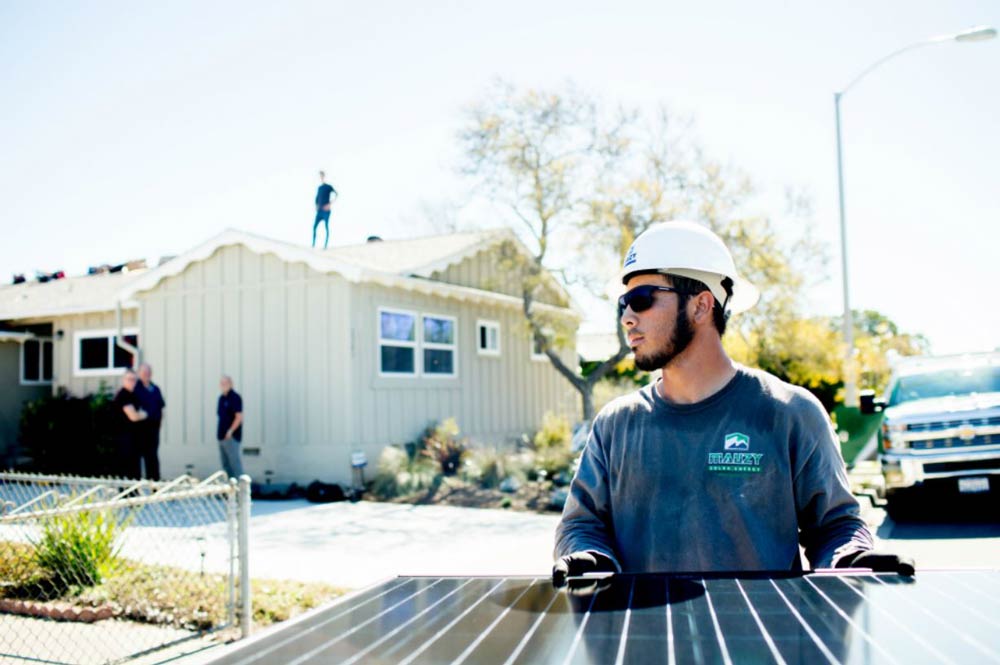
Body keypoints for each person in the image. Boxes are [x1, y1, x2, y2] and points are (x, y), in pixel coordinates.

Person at [553, 221, 913, 585]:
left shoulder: (790, 413)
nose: (627, 317)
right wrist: (590, 558)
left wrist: (851, 557)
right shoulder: (615, 424)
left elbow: (836, 527)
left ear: (701, 305)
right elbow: (582, 526)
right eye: (623, 304)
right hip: (649, 639)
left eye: (642, 299)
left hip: (762, 638)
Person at [112, 369, 147, 479]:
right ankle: (126, 494)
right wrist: (144, 414)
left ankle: (134, 492)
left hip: (134, 439)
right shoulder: (123, 395)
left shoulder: (133, 395)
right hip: (125, 439)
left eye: (134, 380)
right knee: (126, 469)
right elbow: (133, 416)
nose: (132, 382)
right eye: (129, 379)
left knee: (135, 468)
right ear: (123, 380)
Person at [135, 362, 166, 480]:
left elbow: (161, 408)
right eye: (143, 372)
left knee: (152, 457)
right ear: (139, 373)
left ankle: (155, 487)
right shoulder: (135, 388)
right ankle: (134, 489)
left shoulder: (155, 389)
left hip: (153, 430)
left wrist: (159, 425)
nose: (146, 374)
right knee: (137, 458)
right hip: (139, 431)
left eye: (148, 372)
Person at [216, 375, 244, 479]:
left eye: (226, 383)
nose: (223, 385)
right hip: (221, 437)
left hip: (231, 437)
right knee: (225, 465)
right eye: (222, 383)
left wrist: (230, 431)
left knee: (235, 463)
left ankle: (242, 489)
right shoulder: (221, 398)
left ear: (231, 384)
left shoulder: (235, 398)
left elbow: (239, 417)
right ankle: (230, 490)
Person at [312, 170, 338, 249]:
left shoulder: (328, 187)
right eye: (320, 176)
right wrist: (316, 205)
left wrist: (330, 204)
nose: (321, 177)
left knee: (326, 227)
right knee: (314, 227)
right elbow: (316, 198)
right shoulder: (319, 188)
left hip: (326, 211)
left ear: (324, 176)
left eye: (322, 175)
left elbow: (336, 194)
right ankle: (313, 245)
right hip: (319, 210)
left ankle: (325, 246)